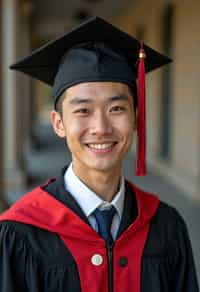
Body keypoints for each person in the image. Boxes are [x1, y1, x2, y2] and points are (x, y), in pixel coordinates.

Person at [0, 16, 199, 292]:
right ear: (59, 123)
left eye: (116, 109)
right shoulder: (21, 233)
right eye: (83, 110)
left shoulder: (166, 226)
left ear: (136, 118)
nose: (101, 128)